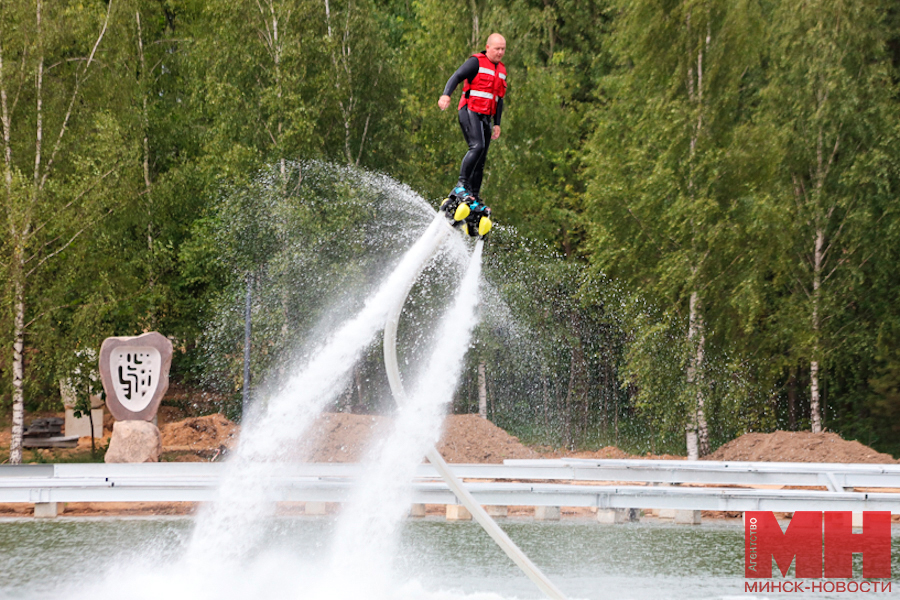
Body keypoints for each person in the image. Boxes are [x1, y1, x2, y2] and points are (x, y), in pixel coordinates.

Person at [437, 33, 506, 236]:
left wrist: (497, 124)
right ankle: (461, 186)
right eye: (497, 49)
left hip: (486, 117)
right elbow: (456, 76)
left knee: (482, 158)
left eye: (503, 49)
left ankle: (473, 197)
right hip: (469, 110)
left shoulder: (502, 71)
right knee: (477, 147)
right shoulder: (476, 62)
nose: (500, 52)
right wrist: (445, 95)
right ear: (488, 47)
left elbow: (499, 99)